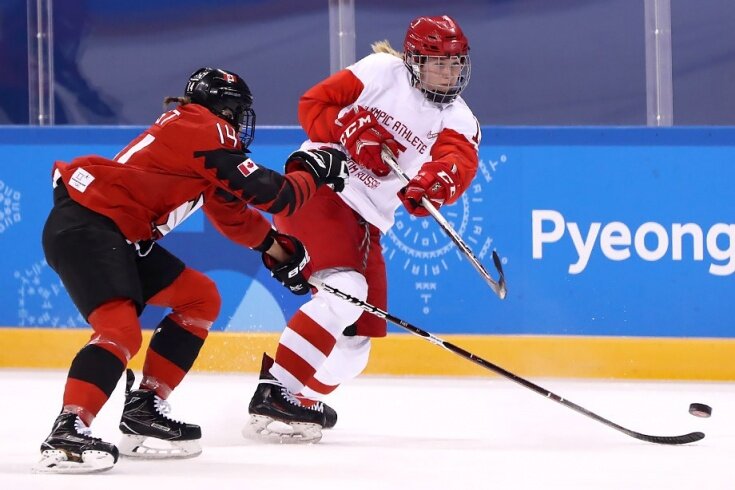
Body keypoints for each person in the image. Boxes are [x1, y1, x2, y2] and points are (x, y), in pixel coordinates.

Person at [36, 67, 348, 473]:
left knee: (199, 297)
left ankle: (145, 407)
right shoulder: (204, 127)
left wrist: (280, 251)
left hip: (114, 230)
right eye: (238, 112)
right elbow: (274, 195)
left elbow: (234, 216)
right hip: (91, 225)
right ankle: (67, 431)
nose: (240, 123)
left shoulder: (195, 138)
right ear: (225, 109)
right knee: (120, 330)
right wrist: (313, 169)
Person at [244, 15, 480, 443]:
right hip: (319, 186)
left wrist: (436, 183)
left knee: (354, 350)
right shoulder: (380, 71)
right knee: (346, 290)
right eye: (438, 63)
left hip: (368, 224)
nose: (449, 73)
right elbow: (313, 105)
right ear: (413, 60)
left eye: (455, 63)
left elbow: (456, 162)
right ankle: (276, 391)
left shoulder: (460, 120)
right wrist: (348, 130)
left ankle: (294, 406)